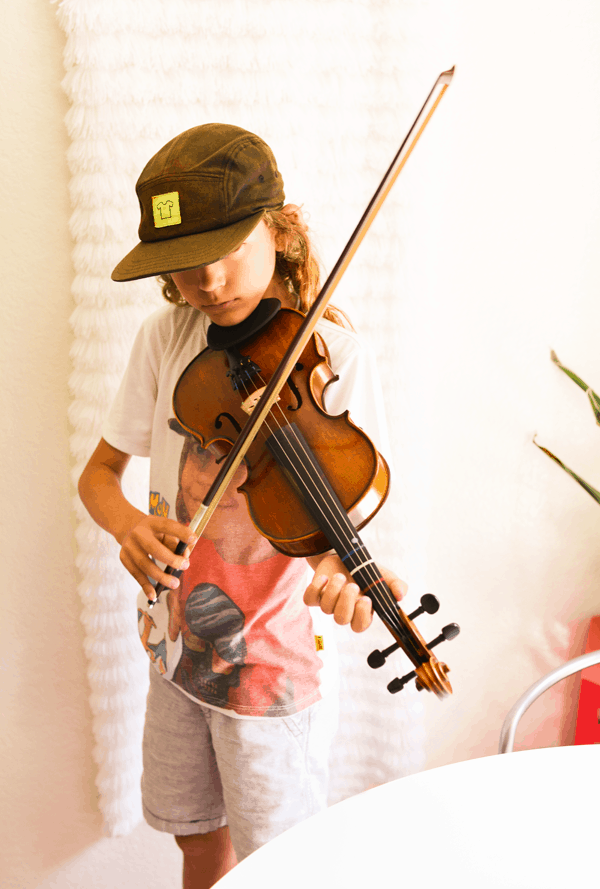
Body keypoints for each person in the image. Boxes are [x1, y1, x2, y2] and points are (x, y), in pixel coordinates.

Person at [78, 123, 405, 889]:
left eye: (226, 249)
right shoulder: (166, 339)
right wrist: (128, 524)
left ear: (280, 229)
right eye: (184, 266)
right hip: (172, 649)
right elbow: (98, 474)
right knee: (198, 843)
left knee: (277, 866)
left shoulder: (333, 355)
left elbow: (329, 528)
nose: (208, 281)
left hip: (269, 673)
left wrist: (346, 579)